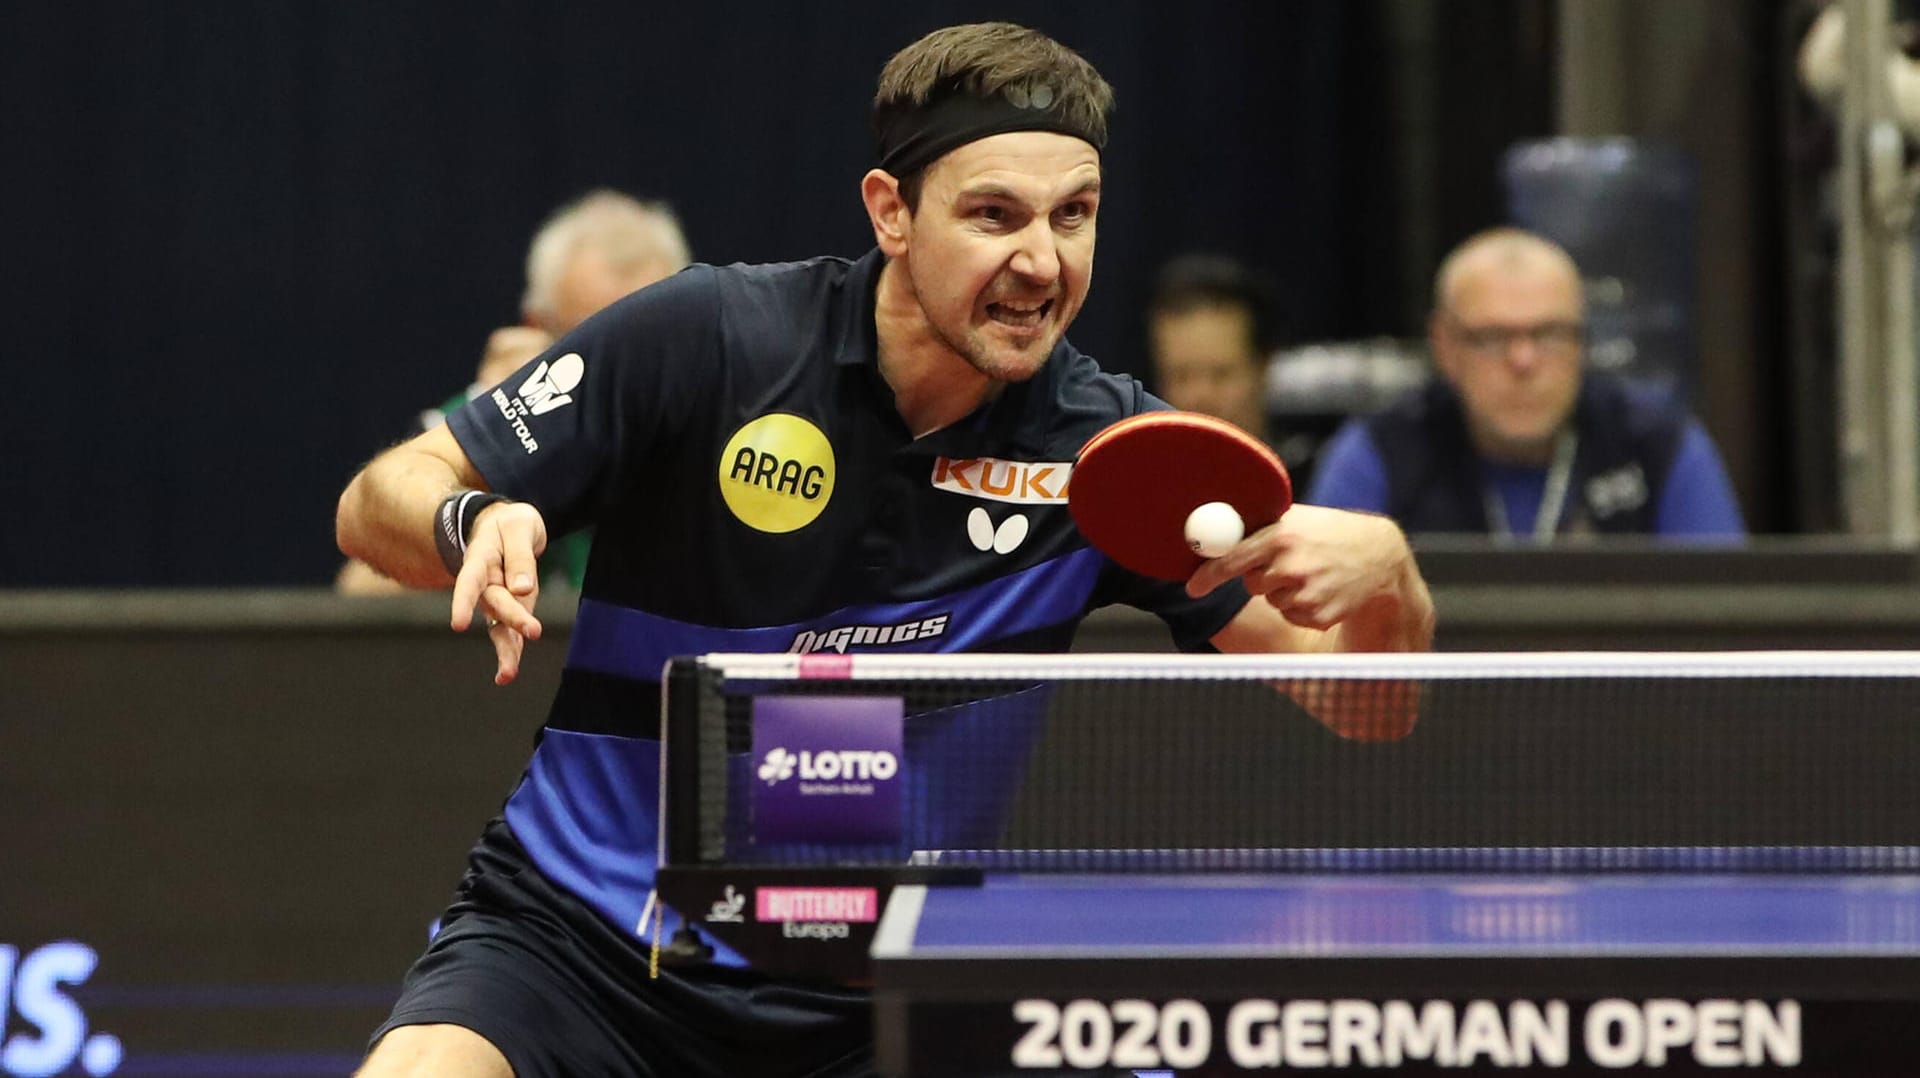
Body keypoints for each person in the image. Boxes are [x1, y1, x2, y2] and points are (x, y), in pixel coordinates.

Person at [336, 22, 1434, 1077]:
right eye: (994, 214)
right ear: (892, 212)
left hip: (881, 1000)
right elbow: (378, 499)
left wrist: (1393, 581)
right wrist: (467, 519)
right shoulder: (709, 341)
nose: (1040, 261)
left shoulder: (1112, 458)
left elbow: (1367, 705)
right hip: (579, 946)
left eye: (1075, 214)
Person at [335, 190, 691, 593]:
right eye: (590, 345)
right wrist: (478, 500)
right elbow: (362, 591)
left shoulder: (728, 414)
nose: (619, 378)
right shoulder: (507, 412)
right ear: (536, 327)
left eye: (647, 348)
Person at [1307, 228, 1746, 542]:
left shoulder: (1659, 447)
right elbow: (1316, 640)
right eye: (1493, 338)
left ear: (1583, 345)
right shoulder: (1377, 455)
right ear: (1445, 348)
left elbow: (1723, 629)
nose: (1523, 361)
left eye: (1550, 334)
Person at [1145, 253, 1277, 443]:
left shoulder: (1318, 469)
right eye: (1181, 376)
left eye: (1220, 375)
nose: (1200, 397)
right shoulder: (1128, 471)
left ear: (1263, 367)